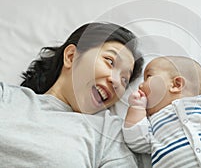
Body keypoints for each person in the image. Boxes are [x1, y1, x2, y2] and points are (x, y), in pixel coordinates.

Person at [0, 22, 144, 168]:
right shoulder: (6, 96)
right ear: (70, 56)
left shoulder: (108, 133)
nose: (116, 82)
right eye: (110, 61)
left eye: (124, 79)